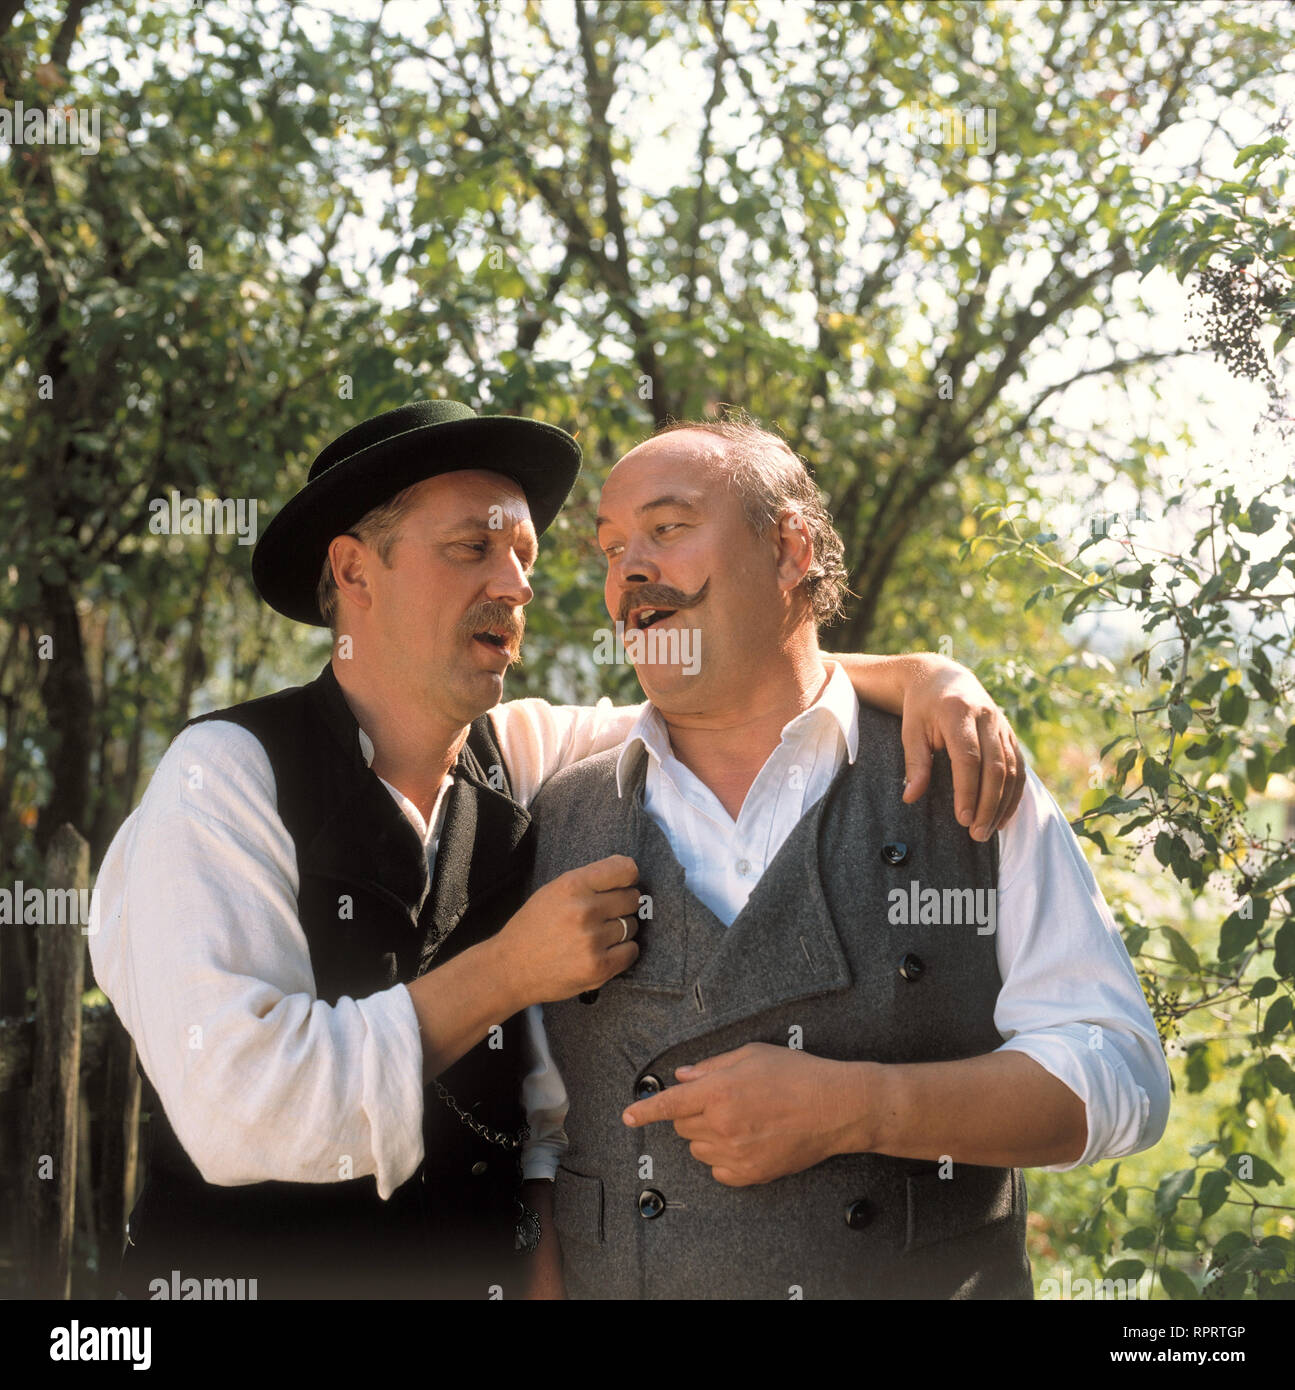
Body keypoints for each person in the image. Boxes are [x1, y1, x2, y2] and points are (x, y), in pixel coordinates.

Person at [90, 398, 1028, 1300]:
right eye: (472, 549)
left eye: (523, 556)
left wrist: (923, 675)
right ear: (354, 571)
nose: (514, 584)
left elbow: (753, 684)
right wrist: (504, 971)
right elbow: (242, 1110)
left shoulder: (527, 756)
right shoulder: (222, 778)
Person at [525, 417, 1172, 1300]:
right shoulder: (551, 805)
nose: (627, 571)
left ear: (791, 547)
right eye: (610, 549)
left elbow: (1120, 1074)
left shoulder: (967, 779)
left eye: (667, 529)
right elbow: (533, 1138)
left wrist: (861, 1108)